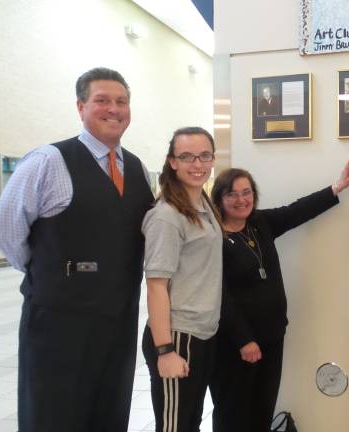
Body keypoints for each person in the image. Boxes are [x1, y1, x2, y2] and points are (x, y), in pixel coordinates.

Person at [0, 67, 153, 431]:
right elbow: (5, 230)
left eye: (121, 101)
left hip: (117, 320)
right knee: (55, 414)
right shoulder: (48, 161)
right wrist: (47, 270)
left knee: (109, 411)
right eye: (102, 100)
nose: (114, 109)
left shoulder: (139, 169)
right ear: (81, 106)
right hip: (59, 323)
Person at [210, 160, 349, 432]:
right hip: (235, 345)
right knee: (233, 414)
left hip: (272, 337)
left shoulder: (260, 223)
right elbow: (219, 296)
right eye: (232, 194)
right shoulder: (211, 237)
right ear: (219, 199)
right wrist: (244, 340)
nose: (242, 200)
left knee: (262, 411)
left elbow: (297, 211)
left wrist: (336, 188)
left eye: (247, 192)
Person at [141, 127, 223, 432]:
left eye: (204, 156)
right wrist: (165, 351)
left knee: (189, 422)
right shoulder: (167, 216)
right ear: (172, 161)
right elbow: (156, 285)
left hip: (201, 334)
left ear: (213, 158)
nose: (197, 163)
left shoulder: (203, 205)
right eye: (186, 156)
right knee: (175, 426)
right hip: (177, 336)